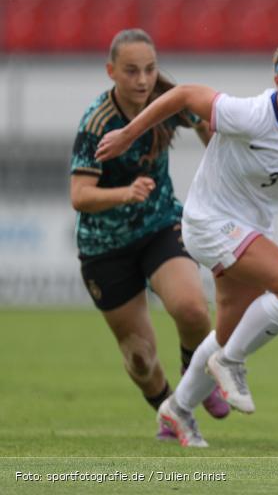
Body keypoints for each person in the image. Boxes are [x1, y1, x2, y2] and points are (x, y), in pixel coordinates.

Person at [96, 39, 278, 447]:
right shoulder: (251, 114)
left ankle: (177, 411)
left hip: (252, 229)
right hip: (211, 223)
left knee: (228, 329)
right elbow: (185, 94)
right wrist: (130, 134)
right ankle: (231, 362)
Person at [69, 28, 230, 442]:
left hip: (159, 225)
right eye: (131, 71)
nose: (142, 80)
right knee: (139, 357)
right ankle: (168, 412)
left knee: (192, 309)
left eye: (149, 69)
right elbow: (80, 196)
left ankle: (193, 385)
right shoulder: (96, 123)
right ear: (111, 72)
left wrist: (216, 155)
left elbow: (204, 120)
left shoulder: (165, 98)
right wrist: (126, 193)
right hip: (105, 248)